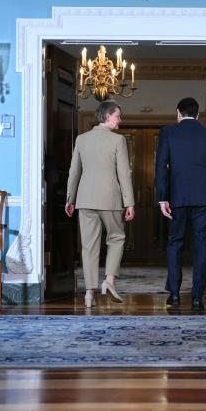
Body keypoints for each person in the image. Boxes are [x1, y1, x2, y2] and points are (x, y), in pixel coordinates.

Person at [155, 97, 206, 312]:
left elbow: (161, 167)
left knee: (175, 243)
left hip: (176, 198)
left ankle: (174, 295)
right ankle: (197, 297)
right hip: (204, 198)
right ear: (197, 115)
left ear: (178, 113)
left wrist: (162, 198)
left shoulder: (168, 133)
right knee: (201, 246)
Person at [65, 101, 135, 308]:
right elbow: (124, 174)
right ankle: (109, 281)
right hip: (110, 198)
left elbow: (73, 172)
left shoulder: (81, 139)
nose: (120, 121)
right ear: (106, 116)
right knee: (117, 237)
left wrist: (70, 199)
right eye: (117, 117)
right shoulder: (118, 141)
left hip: (85, 199)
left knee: (89, 246)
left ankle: (89, 293)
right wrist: (129, 202)